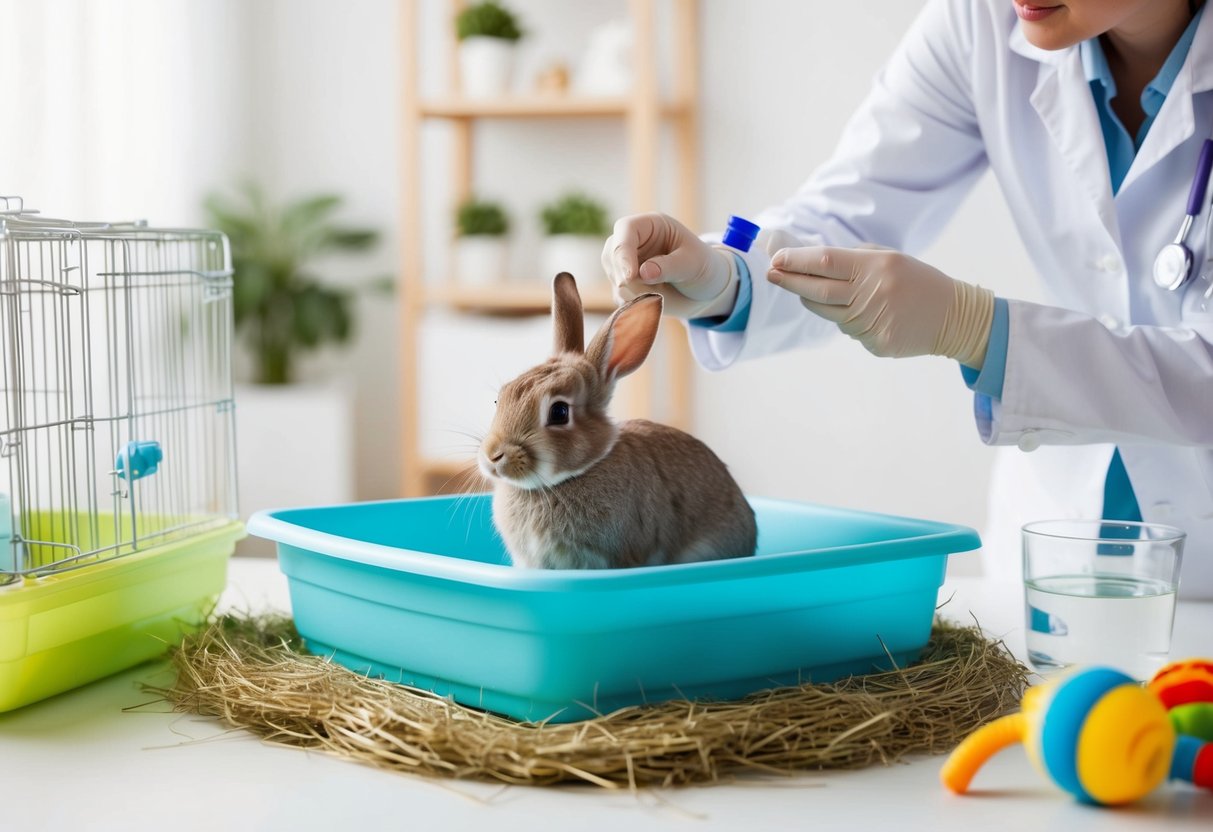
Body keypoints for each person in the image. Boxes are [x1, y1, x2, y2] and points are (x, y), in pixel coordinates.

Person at [602, 0, 1213, 600]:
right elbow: (850, 212)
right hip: (1058, 547)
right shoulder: (981, 21)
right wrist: (726, 279)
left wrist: (979, 331)